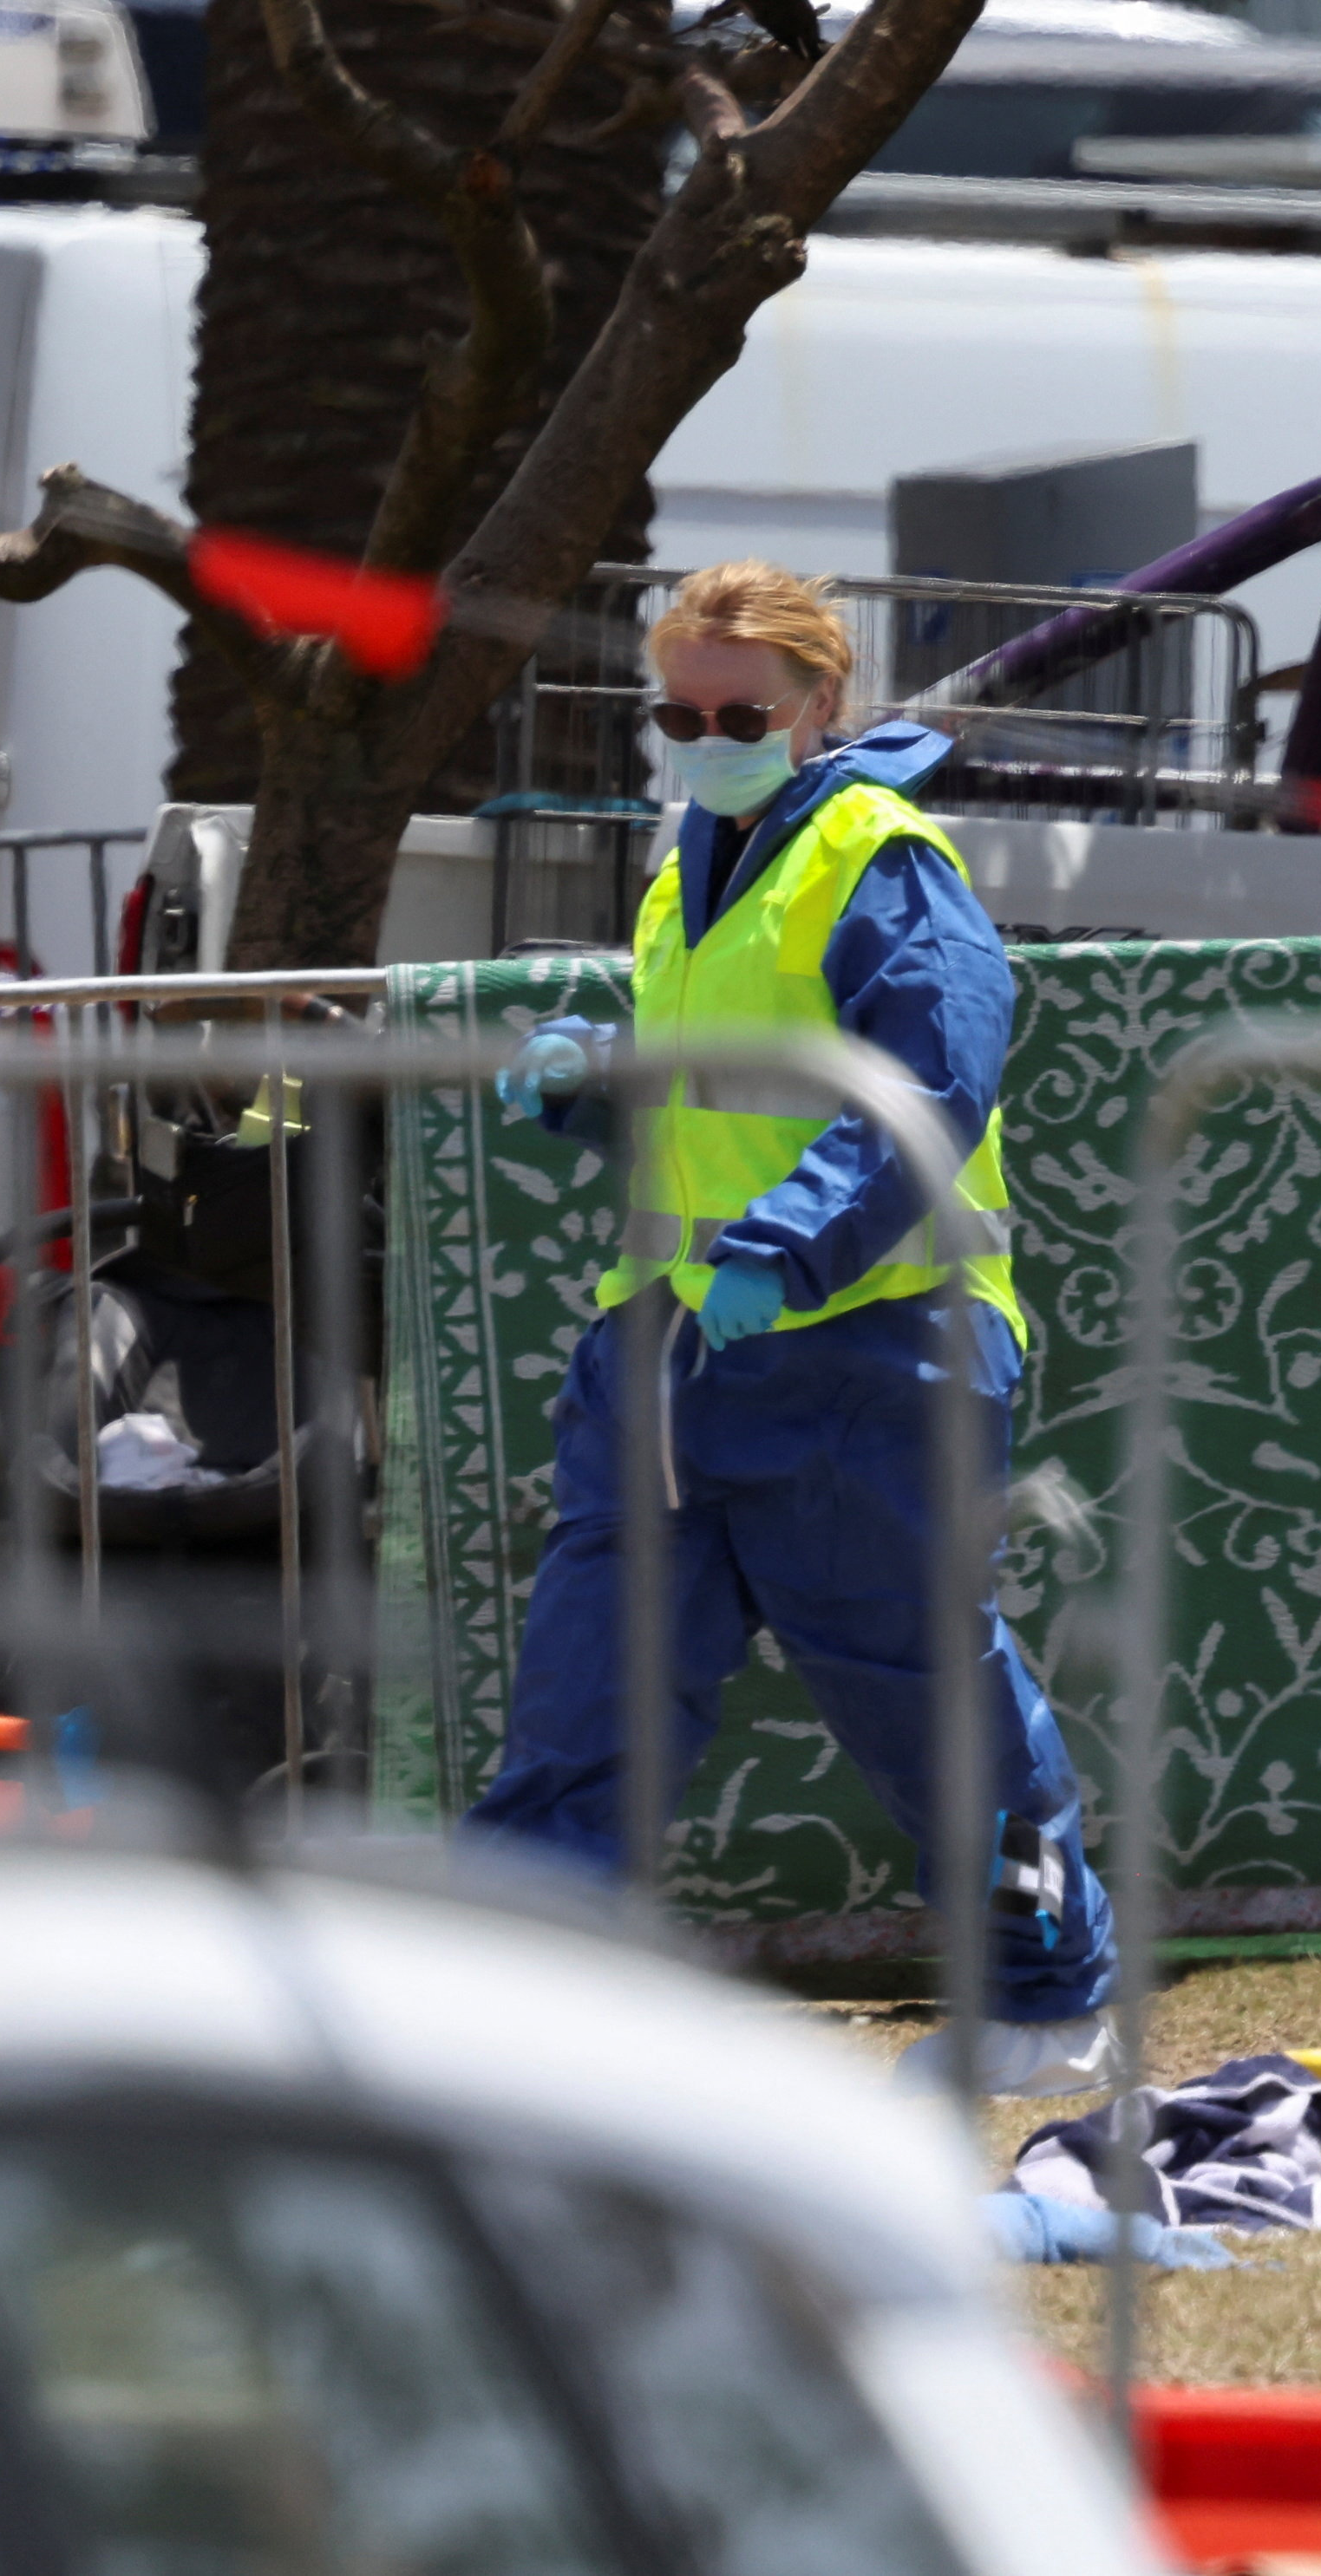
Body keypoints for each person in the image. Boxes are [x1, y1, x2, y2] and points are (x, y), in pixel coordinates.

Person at [470, 561, 1115, 2096]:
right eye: (674, 712)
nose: (702, 736)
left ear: (823, 703)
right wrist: (598, 1079)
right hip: (675, 1361)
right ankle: (492, 2015)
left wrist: (787, 1246)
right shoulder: (693, 850)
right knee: (583, 1702)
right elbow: (721, 1104)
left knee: (941, 1720)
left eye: (737, 712)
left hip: (869, 1363)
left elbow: (925, 1091)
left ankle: (1046, 1990)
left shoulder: (886, 861)